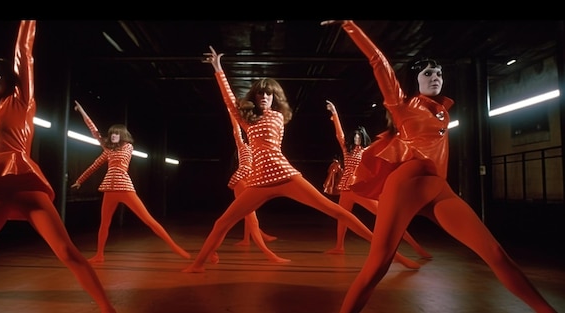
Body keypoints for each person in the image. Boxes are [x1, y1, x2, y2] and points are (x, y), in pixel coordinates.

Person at [321, 20, 557, 313]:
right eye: (428, 73)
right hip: (407, 184)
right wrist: (349, 25)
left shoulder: (443, 112)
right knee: (378, 265)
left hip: (438, 188)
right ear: (414, 79)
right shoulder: (402, 103)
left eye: (439, 73)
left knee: (496, 253)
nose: (436, 77)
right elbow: (378, 62)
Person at [182, 46, 421, 273]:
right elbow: (230, 102)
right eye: (260, 93)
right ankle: (199, 264)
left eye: (269, 93)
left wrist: (335, 116)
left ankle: (395, 256)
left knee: (338, 212)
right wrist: (218, 69)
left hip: (285, 175)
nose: (264, 96)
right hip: (259, 181)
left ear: (274, 97)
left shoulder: (277, 117)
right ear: (254, 97)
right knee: (222, 222)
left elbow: (248, 110)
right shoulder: (247, 120)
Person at [0, 21, 117, 313]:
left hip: (25, 186)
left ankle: (107, 308)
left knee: (66, 252)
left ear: (11, 79)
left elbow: (24, 50)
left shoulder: (21, 101)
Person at [71, 100, 190, 263]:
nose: (113, 135)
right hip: (109, 189)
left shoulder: (128, 147)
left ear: (122, 135)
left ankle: (174, 246)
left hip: (125, 188)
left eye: (116, 133)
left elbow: (101, 137)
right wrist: (80, 180)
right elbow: (94, 141)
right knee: (104, 224)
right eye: (112, 133)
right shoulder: (107, 151)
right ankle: (99, 254)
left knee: (148, 220)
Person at [324, 100, 432, 259]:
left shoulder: (367, 151)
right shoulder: (347, 150)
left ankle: (417, 248)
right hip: (346, 189)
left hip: (360, 188)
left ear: (363, 138)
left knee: (387, 216)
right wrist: (334, 113)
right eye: (354, 136)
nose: (356, 139)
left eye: (359, 136)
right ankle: (339, 246)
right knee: (343, 218)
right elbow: (339, 135)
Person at [223, 105, 288, 262]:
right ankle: (268, 253)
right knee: (250, 217)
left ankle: (247, 239)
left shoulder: (259, 145)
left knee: (244, 214)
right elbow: (236, 128)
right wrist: (231, 110)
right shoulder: (242, 145)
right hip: (241, 180)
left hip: (252, 180)